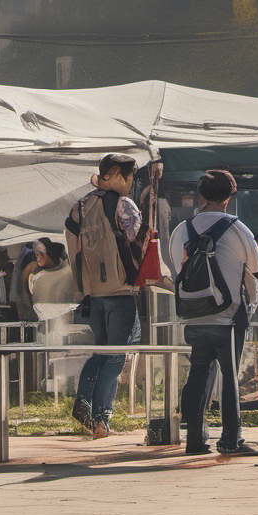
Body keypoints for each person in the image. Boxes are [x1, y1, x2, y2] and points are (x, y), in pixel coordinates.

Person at [170, 169, 258, 457]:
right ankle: (230, 440)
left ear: (200, 196)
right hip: (229, 314)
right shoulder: (237, 227)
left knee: (198, 372)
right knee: (229, 376)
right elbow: (257, 266)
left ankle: (194, 440)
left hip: (194, 314)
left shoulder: (182, 230)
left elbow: (177, 268)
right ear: (229, 197)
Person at [65, 153, 144, 439]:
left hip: (92, 293)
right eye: (130, 176)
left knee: (101, 349)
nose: (131, 183)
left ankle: (84, 402)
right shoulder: (124, 205)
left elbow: (72, 243)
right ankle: (100, 418)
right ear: (116, 174)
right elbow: (139, 242)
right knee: (115, 356)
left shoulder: (82, 205)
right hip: (121, 291)